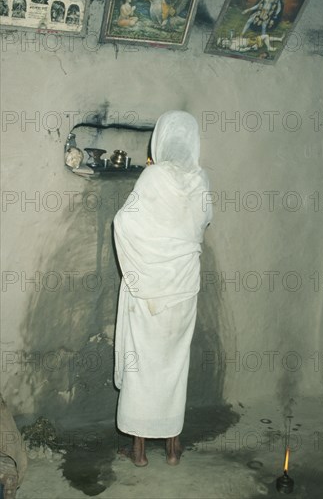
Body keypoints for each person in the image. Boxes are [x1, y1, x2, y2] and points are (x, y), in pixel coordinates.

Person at [113, 110, 212, 467]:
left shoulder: (153, 176)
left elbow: (124, 221)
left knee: (143, 367)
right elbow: (203, 221)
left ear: (162, 139)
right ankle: (173, 448)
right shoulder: (200, 179)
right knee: (173, 367)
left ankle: (139, 452)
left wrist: (141, 266)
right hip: (184, 289)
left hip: (151, 291)